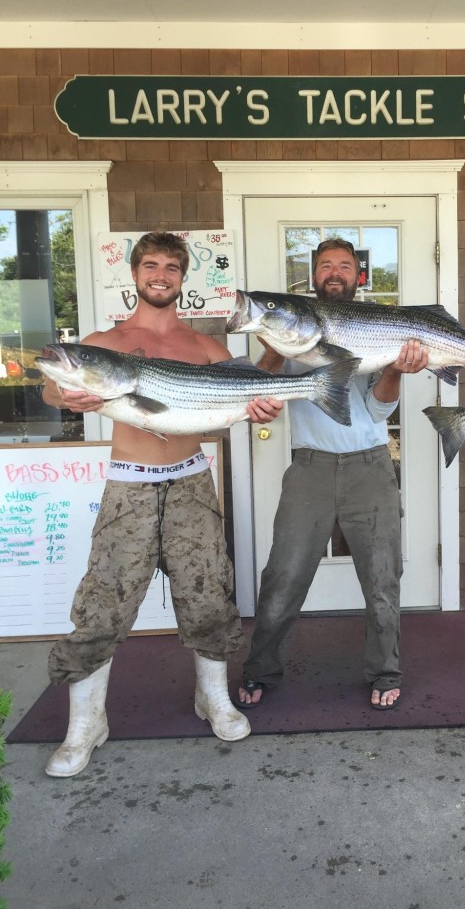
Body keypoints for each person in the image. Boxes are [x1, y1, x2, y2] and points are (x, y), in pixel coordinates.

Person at [42, 232, 280, 777]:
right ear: (134, 273)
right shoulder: (105, 341)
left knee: (208, 591)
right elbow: (55, 384)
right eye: (151, 265)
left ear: (182, 278)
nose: (161, 275)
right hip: (129, 482)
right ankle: (86, 723)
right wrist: (64, 395)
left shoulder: (204, 347)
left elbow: (250, 390)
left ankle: (212, 698)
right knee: (104, 599)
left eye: (172, 267)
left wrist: (266, 398)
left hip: (192, 481)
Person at [237, 238, 428, 713]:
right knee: (283, 574)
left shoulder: (374, 327)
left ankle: (385, 670)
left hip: (371, 467)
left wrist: (397, 370)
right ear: (314, 275)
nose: (336, 272)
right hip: (310, 468)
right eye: (326, 265)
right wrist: (275, 350)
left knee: (383, 577)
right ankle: (261, 668)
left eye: (345, 266)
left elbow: (379, 410)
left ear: (359, 276)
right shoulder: (295, 325)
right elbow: (259, 393)